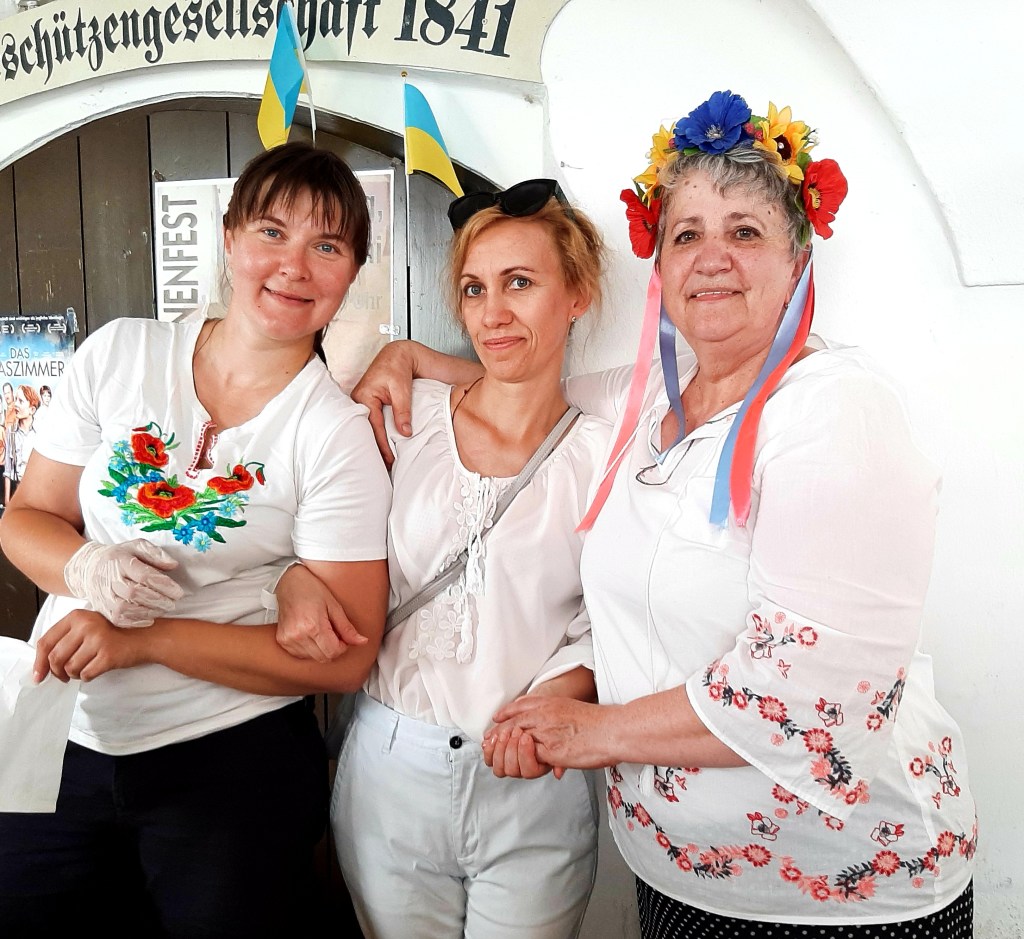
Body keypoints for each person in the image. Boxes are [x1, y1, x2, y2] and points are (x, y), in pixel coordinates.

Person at [350, 92, 977, 937]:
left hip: (836, 889)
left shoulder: (833, 412)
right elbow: (522, 385)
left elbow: (808, 695)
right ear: (661, 266)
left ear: (798, 259)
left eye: (744, 231)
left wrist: (597, 731)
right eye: (686, 234)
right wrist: (406, 356)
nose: (712, 258)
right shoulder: (648, 401)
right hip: (680, 875)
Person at [0, 142, 392, 938]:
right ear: (229, 236)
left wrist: (142, 640)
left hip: (228, 753)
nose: (293, 266)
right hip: (56, 723)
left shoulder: (333, 432)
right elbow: (26, 517)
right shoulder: (122, 353)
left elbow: (345, 657)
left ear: (352, 272)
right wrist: (86, 565)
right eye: (272, 232)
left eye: (327, 246)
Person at [275, 179, 611, 938]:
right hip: (391, 764)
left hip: (533, 772)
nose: (492, 314)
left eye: (519, 283)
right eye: (474, 289)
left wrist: (561, 693)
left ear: (578, 294)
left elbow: (612, 610)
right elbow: (300, 519)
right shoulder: (402, 415)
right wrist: (294, 576)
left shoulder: (604, 453)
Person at [3, 384, 39, 504]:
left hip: (37, 494)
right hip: (17, 493)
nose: (16, 404)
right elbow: (8, 470)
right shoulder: (11, 432)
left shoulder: (40, 432)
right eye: (16, 400)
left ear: (32, 410)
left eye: (21, 401)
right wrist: (7, 502)